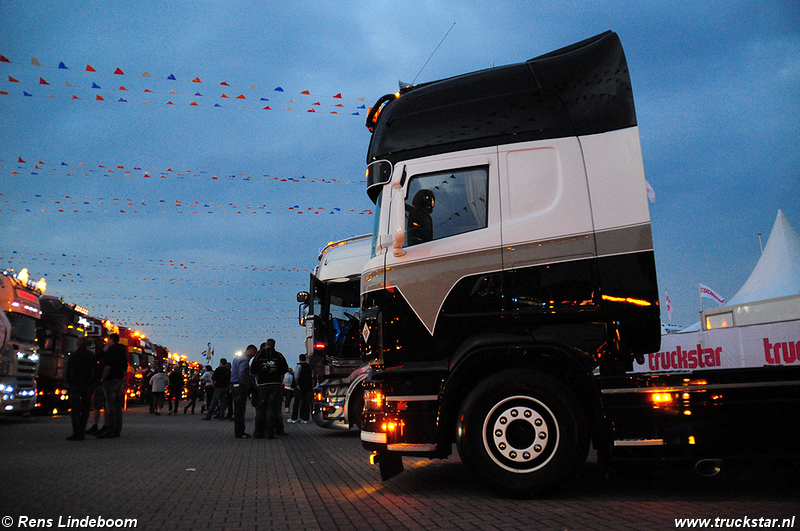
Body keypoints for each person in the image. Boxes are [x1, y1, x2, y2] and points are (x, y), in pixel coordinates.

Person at [250, 339, 288, 439]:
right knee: (272, 408)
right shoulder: (279, 355)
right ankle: (270, 433)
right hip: (275, 385)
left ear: (266, 345)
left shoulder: (259, 356)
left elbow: (253, 370)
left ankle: (258, 432)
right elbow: (284, 369)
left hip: (263, 386)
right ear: (274, 345)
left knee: (261, 408)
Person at [65, 337, 96, 441]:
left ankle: (76, 432)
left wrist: (69, 382)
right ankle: (82, 430)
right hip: (87, 385)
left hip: (75, 384)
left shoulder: (73, 355)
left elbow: (68, 370)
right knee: (85, 408)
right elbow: (95, 371)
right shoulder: (91, 356)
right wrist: (92, 383)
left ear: (78, 344)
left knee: (75, 409)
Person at [97, 333, 128, 439]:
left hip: (110, 380)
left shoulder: (111, 351)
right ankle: (117, 429)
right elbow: (125, 369)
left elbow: (107, 367)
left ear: (111, 340)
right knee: (117, 406)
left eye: (108, 339)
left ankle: (110, 430)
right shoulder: (123, 351)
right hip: (119, 379)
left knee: (110, 406)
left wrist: (103, 379)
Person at [231, 345, 257, 438]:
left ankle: (239, 431)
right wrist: (246, 383)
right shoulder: (245, 359)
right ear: (251, 350)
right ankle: (240, 432)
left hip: (234, 385)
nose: (253, 355)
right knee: (240, 410)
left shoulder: (237, 358)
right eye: (254, 353)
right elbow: (243, 372)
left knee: (238, 409)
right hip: (240, 386)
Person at [289, 354, 313, 424]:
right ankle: (305, 418)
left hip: (300, 387)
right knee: (306, 402)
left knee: (296, 402)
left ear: (299, 359)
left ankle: (294, 418)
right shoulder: (309, 367)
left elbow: (296, 376)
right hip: (308, 387)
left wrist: (296, 385)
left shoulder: (299, 366)